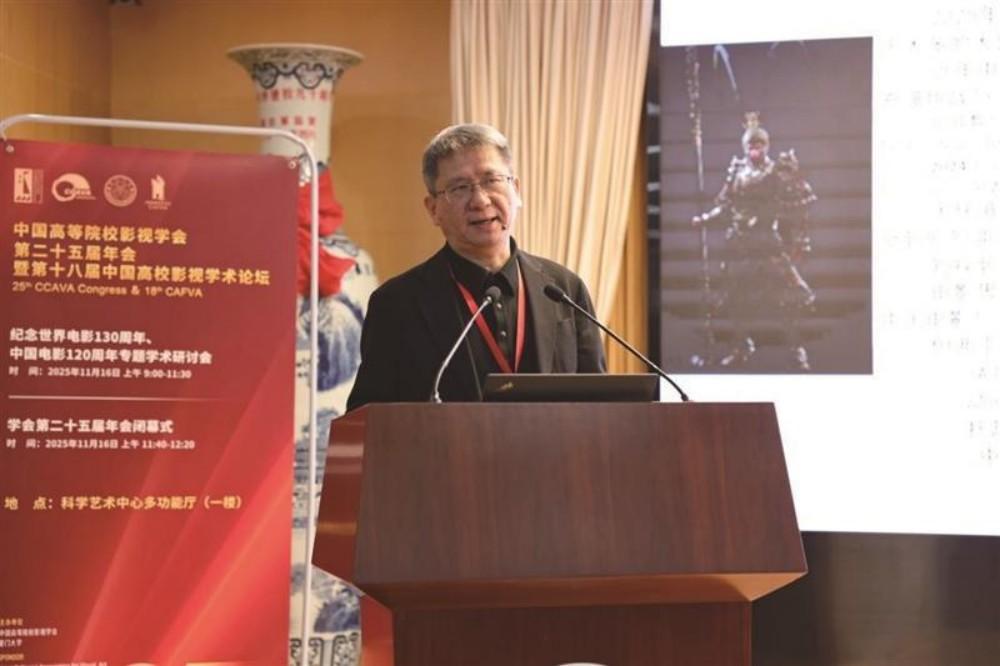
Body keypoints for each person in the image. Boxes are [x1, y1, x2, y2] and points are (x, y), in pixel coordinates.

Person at [346, 123, 606, 409]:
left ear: (516, 190)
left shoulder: (563, 289)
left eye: (492, 180)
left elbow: (600, 405)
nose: (480, 201)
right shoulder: (397, 305)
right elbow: (368, 420)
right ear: (433, 209)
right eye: (459, 188)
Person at [692, 112, 817, 370]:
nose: (755, 148)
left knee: (785, 299)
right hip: (739, 245)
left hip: (767, 243)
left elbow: (801, 202)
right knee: (734, 299)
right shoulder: (737, 169)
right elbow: (726, 204)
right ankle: (741, 346)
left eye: (759, 144)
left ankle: (796, 348)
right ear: (745, 146)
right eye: (751, 144)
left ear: (766, 146)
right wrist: (705, 219)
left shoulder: (777, 170)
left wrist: (802, 241)